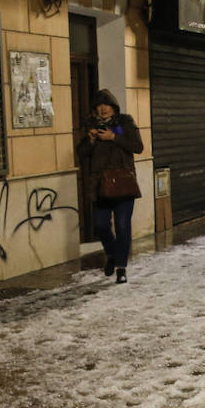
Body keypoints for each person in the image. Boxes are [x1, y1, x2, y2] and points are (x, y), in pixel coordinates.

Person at [77, 88, 143, 284]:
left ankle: (121, 267)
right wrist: (89, 139)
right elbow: (81, 154)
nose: (103, 109)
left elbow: (137, 146)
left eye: (106, 105)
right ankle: (112, 254)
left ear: (113, 107)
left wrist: (113, 137)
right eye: (99, 106)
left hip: (122, 183)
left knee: (123, 226)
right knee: (101, 225)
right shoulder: (91, 125)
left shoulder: (123, 123)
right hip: (100, 185)